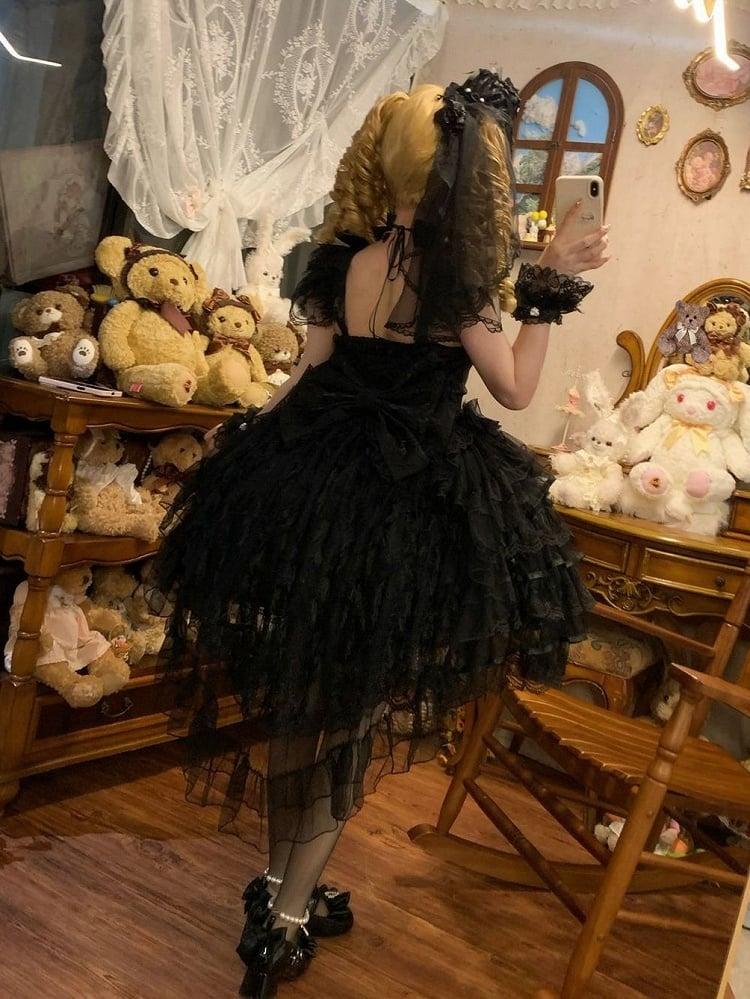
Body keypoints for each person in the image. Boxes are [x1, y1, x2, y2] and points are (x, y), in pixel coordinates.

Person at [152, 68, 610, 998]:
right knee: (353, 709)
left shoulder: (343, 262)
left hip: (317, 489)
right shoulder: (456, 279)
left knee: (303, 699)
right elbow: (516, 387)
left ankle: (281, 883)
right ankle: (286, 917)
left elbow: (308, 376)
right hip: (406, 504)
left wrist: (243, 434)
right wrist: (547, 288)